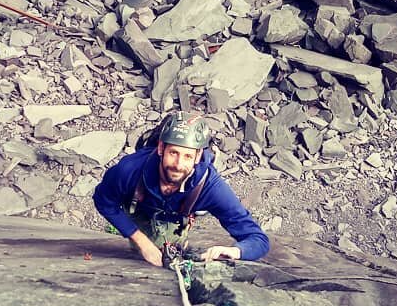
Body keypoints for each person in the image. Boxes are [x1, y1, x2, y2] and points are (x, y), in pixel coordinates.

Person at [93, 111, 269, 267]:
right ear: (161, 148)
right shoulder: (130, 170)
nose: (178, 165)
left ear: (198, 156)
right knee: (143, 251)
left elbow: (258, 239)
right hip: (139, 204)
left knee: (167, 248)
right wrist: (140, 240)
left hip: (177, 213)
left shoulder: (210, 186)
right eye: (173, 153)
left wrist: (236, 251)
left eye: (187, 156)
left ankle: (176, 238)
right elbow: (103, 200)